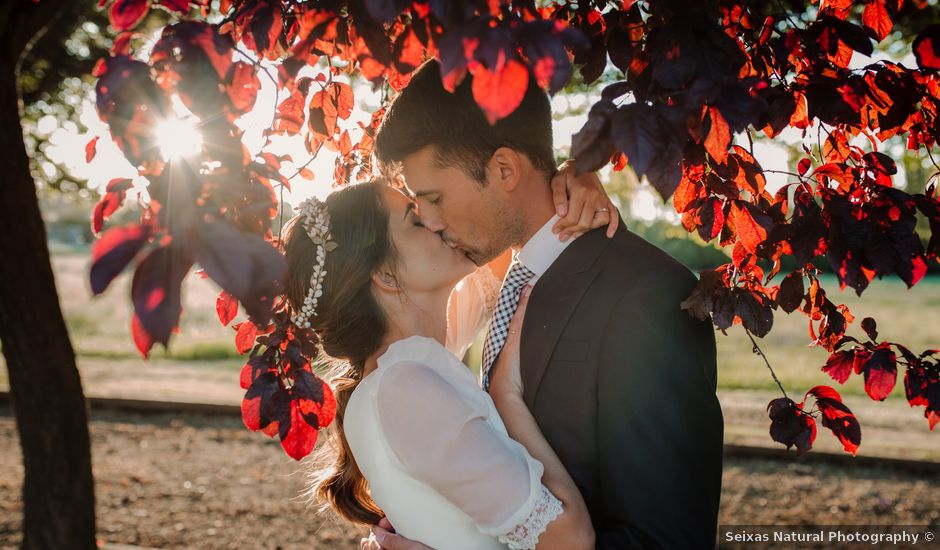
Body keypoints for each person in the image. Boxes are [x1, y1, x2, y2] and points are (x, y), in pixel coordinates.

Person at [368, 59, 725, 549]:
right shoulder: (483, 282)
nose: (428, 221)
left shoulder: (646, 296)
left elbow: (667, 540)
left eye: (434, 197)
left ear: (504, 169)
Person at [284, 169, 617, 548]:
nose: (437, 220)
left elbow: (506, 235)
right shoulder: (407, 386)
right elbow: (569, 540)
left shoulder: (400, 370)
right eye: (414, 218)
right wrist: (506, 398)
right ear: (387, 276)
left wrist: (569, 176)